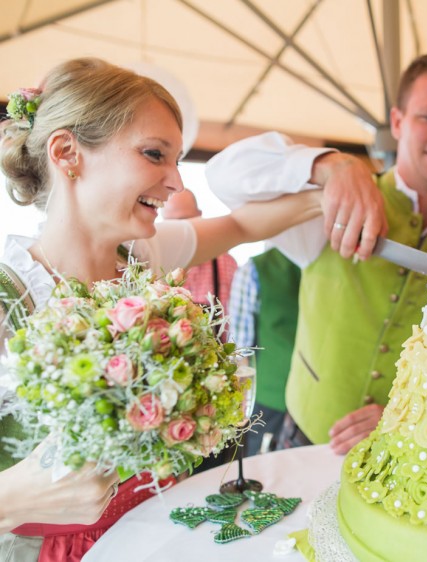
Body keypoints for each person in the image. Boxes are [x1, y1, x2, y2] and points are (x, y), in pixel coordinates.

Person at [0, 57, 383, 561]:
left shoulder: (142, 256)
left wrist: (338, 172)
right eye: (155, 154)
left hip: (165, 531)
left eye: (177, 160)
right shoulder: (11, 296)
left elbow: (245, 225)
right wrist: (16, 496)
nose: (177, 182)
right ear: (68, 152)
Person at [205, 49, 427, 456]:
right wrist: (330, 167)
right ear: (397, 121)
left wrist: (416, 411)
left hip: (418, 455)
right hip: (307, 440)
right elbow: (223, 175)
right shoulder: (330, 199)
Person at [228, 246, 301, 455]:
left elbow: (240, 350)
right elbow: (241, 351)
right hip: (273, 399)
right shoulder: (255, 269)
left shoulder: (253, 269)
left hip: (274, 396)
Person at [161, 188, 238, 312]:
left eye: (183, 221)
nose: (177, 230)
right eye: (170, 223)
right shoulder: (154, 264)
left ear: (199, 216)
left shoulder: (225, 263)